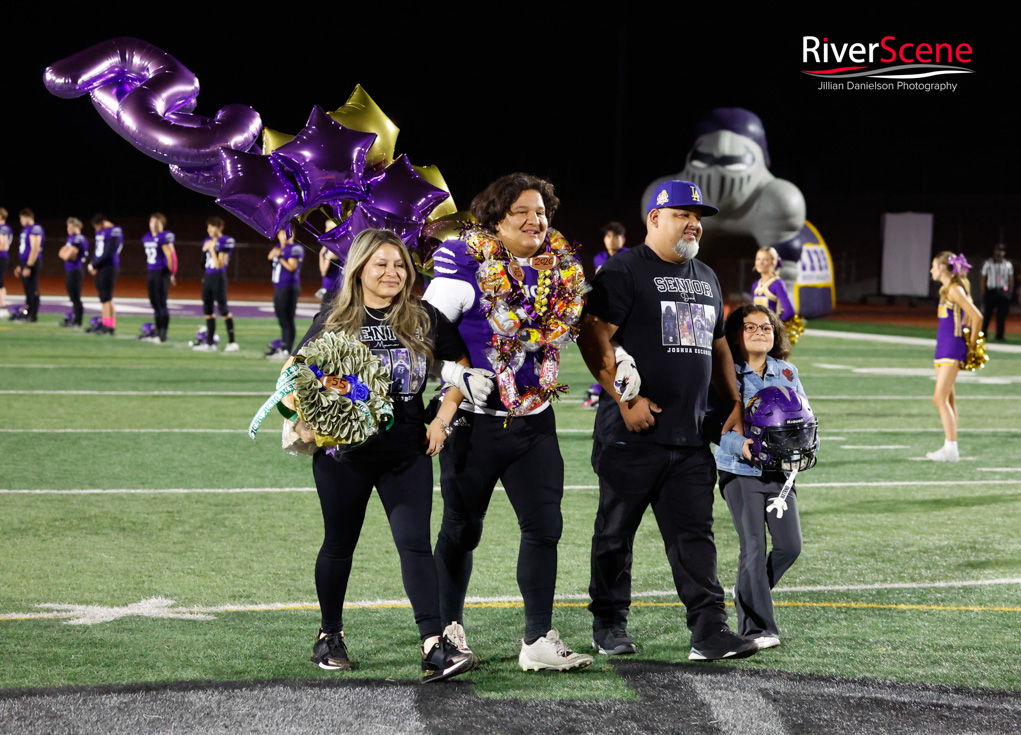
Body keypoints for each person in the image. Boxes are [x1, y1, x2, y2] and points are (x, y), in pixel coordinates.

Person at [282, 228, 476, 682]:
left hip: (405, 453)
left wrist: (442, 419)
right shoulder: (335, 317)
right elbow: (292, 381)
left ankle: (433, 647)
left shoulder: (422, 317)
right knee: (339, 544)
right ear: (360, 269)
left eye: (399, 265)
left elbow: (462, 369)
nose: (392, 272)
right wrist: (317, 409)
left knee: (414, 545)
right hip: (344, 457)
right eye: (380, 264)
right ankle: (328, 634)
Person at [579, 179, 757, 662]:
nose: (694, 222)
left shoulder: (707, 276)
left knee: (695, 535)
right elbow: (594, 337)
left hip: (690, 434)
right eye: (682, 213)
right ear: (655, 218)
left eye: (697, 216)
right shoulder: (624, 269)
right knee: (615, 533)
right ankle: (609, 622)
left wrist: (736, 403)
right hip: (633, 434)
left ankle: (709, 631)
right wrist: (623, 400)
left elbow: (719, 345)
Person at [424, 173, 594, 672]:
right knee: (461, 527)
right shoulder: (466, 260)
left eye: (540, 211)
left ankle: (538, 638)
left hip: (533, 421)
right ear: (496, 218)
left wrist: (620, 357)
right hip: (475, 423)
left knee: (545, 526)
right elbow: (425, 330)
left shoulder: (561, 268)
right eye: (520, 210)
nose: (533, 219)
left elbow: (580, 327)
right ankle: (449, 627)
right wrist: (456, 372)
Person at [715, 304, 806, 650]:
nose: (759, 333)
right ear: (734, 336)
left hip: (780, 473)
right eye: (749, 328)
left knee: (789, 546)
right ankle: (757, 628)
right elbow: (713, 426)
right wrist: (742, 446)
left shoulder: (786, 371)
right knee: (753, 548)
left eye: (765, 328)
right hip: (740, 471)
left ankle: (748, 591)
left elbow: (803, 414)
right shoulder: (726, 373)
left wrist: (807, 441)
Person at [927, 251, 984, 462]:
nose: (931, 270)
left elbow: (977, 316)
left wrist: (971, 347)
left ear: (943, 267)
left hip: (953, 347)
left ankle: (951, 449)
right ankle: (950, 446)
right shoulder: (947, 291)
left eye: (934, 266)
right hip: (943, 347)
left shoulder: (955, 289)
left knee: (939, 397)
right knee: (948, 399)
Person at [584, 222, 627, 409]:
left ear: (623, 239)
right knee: (603, 348)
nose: (612, 240)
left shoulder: (628, 255)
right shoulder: (599, 258)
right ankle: (602, 387)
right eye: (609, 236)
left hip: (622, 308)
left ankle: (601, 388)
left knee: (619, 349)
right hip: (604, 309)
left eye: (616, 236)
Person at [194, 216, 238, 352]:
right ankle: (210, 343)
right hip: (208, 277)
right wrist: (204, 250)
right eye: (208, 227)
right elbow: (202, 264)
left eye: (211, 226)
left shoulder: (226, 241)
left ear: (219, 227)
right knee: (208, 311)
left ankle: (232, 342)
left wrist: (212, 249)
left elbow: (219, 265)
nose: (209, 230)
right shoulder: (206, 241)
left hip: (219, 277)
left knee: (224, 310)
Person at [267, 230, 304, 360]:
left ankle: (287, 349)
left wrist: (280, 257)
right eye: (281, 234)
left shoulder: (295, 248)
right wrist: (277, 254)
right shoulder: (278, 247)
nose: (283, 237)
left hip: (289, 287)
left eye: (286, 234)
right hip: (279, 287)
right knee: (281, 318)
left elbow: (291, 267)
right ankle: (283, 346)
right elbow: (269, 257)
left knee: (287, 319)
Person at [142, 213, 178, 343]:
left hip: (162, 272)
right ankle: (158, 331)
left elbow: (171, 256)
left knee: (161, 302)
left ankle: (163, 333)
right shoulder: (146, 237)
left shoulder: (165, 237)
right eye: (152, 222)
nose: (154, 225)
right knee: (154, 302)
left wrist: (171, 273)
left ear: (162, 225)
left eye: (157, 223)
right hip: (151, 272)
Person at [87, 214, 122, 335]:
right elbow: (98, 250)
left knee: (105, 298)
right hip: (102, 266)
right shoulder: (102, 232)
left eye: (96, 226)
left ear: (102, 223)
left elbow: (108, 252)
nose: (96, 229)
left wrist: (95, 265)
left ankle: (106, 325)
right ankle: (110, 325)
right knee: (107, 297)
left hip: (108, 266)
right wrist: (93, 263)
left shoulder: (114, 231)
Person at [14, 209, 44, 322]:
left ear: (28, 217)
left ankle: (33, 315)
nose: (21, 221)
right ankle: (28, 313)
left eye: (22, 218)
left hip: (32, 262)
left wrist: (28, 266)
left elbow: (35, 249)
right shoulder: (25, 230)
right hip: (26, 261)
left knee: (32, 288)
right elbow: (25, 249)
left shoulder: (35, 228)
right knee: (27, 289)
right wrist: (21, 265)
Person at [58, 217, 88, 328]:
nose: (68, 229)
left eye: (70, 226)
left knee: (76, 297)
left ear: (76, 227)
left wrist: (66, 253)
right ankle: (75, 319)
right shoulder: (71, 238)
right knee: (73, 296)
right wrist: (66, 253)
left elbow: (66, 255)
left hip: (75, 269)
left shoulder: (79, 239)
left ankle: (78, 321)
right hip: (70, 269)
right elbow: (61, 253)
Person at [751, 246, 795, 320]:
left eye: (765, 260)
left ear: (774, 262)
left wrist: (774, 325)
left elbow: (789, 312)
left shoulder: (777, 283)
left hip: (772, 330)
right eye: (758, 259)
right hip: (758, 329)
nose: (760, 262)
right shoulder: (755, 285)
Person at [980, 244, 1013, 342]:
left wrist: (1009, 293)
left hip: (1003, 291)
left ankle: (1000, 336)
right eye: (998, 250)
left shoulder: (1007, 264)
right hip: (991, 291)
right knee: (987, 314)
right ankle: (983, 334)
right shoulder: (988, 263)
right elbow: (983, 278)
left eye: (1001, 250)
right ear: (994, 251)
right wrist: (984, 292)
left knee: (1001, 315)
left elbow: (1011, 278)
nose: (999, 253)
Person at [0, 208, 12, 309]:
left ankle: (1, 303)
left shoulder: (3, 228)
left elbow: (2, 245)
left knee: (0, 281)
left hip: (1, 256)